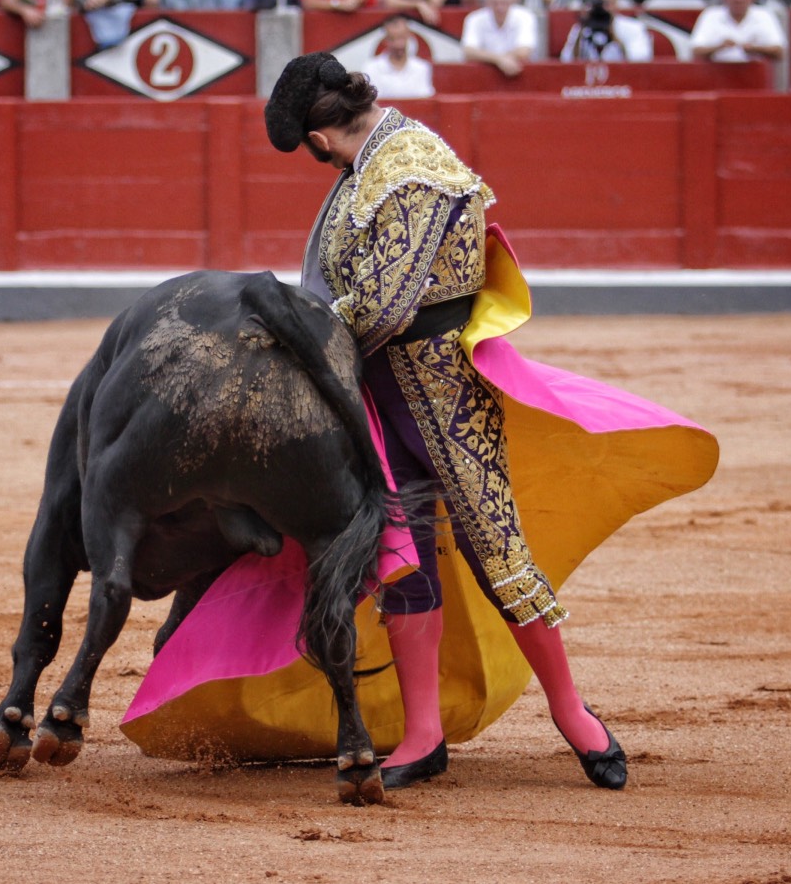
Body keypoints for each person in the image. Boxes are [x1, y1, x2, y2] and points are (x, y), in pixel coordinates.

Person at [262, 52, 715, 792]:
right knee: (402, 554)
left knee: (495, 547)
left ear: (318, 139)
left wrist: (297, 336)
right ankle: (423, 735)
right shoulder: (365, 170)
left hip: (444, 393)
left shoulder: (411, 167)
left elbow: (385, 304)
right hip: (379, 393)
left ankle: (573, 713)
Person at [689, 0, 786, 60]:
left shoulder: (764, 15)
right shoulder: (711, 14)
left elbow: (780, 51)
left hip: (754, 71)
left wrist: (754, 48)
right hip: (717, 72)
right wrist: (719, 47)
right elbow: (695, 51)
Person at [460, 0, 537, 76]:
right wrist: (499, 60)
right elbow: (468, 52)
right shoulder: (474, 19)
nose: (500, 7)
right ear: (487, 1)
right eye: (495, 3)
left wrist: (496, 60)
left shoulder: (525, 16)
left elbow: (524, 51)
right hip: (482, 77)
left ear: (512, 0)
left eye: (504, 2)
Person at [560, 0, 653, 61]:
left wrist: (613, 35)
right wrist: (581, 31)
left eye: (606, 3)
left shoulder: (633, 27)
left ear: (616, 4)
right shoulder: (580, 28)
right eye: (596, 4)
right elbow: (566, 60)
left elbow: (640, 60)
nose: (602, 8)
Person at [362, 13, 435, 97]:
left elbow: (425, 99)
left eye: (402, 38)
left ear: (408, 37)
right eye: (393, 39)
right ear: (386, 40)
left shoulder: (422, 68)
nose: (398, 44)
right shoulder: (371, 68)